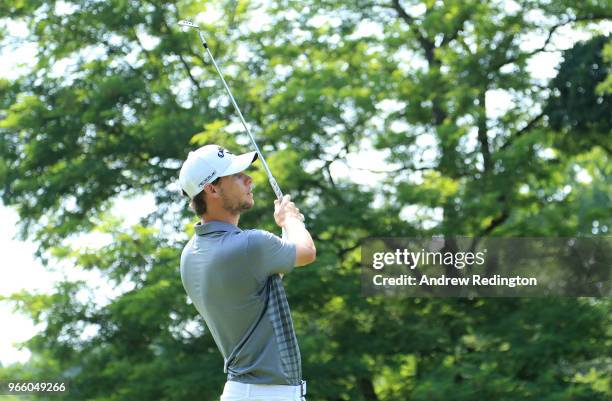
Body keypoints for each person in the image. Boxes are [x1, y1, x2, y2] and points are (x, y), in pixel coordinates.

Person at [178, 144, 316, 401]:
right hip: (271, 395)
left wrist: (286, 231)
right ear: (212, 188)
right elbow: (307, 252)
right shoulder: (251, 244)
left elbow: (263, 280)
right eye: (236, 175)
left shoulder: (190, 254)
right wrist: (291, 220)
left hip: (241, 392)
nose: (248, 179)